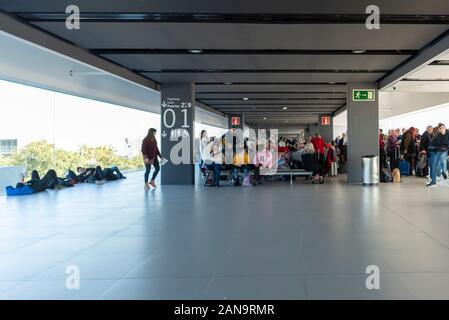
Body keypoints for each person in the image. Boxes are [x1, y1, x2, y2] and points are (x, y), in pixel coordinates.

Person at [427, 123, 449, 187]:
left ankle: (444, 172)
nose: (441, 129)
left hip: (446, 150)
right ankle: (433, 182)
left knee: (442, 158)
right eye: (440, 128)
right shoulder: (437, 136)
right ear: (439, 129)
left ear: (445, 127)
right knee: (434, 165)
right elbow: (431, 144)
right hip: (439, 150)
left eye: (442, 127)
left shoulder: (448, 134)